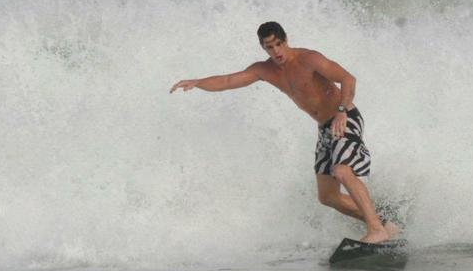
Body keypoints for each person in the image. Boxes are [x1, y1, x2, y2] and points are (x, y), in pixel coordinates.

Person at [170, 22, 397, 243]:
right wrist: (198, 82)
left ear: (286, 39)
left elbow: (348, 79)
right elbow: (229, 80)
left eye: (279, 44)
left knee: (342, 170)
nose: (276, 51)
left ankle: (376, 230)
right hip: (324, 129)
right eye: (269, 47)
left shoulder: (309, 59)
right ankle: (385, 223)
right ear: (263, 47)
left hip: (344, 118)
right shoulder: (264, 70)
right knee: (327, 197)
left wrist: (341, 111)